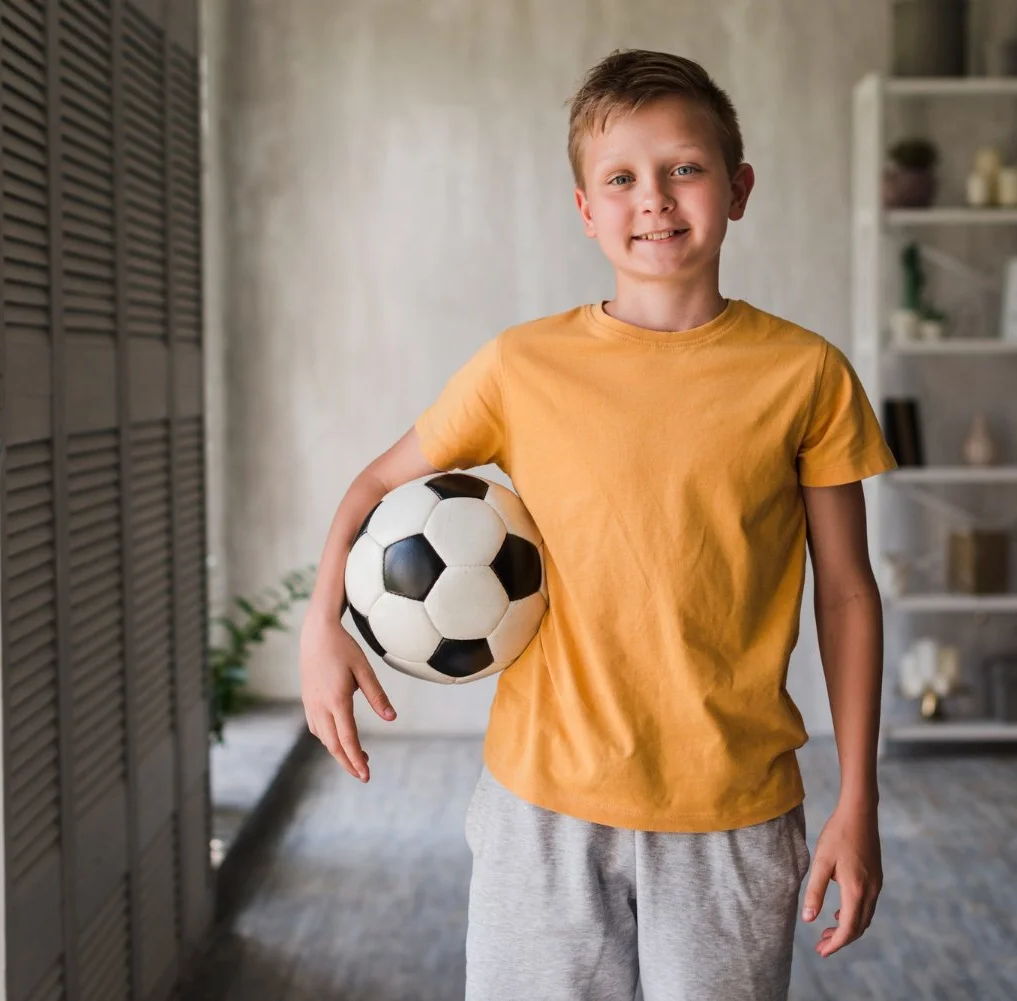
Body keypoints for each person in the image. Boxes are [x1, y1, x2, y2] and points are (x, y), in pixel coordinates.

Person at [298, 47, 895, 1001]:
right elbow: (373, 482)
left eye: (684, 168)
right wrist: (322, 623)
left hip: (731, 815)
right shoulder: (519, 367)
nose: (654, 198)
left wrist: (859, 798)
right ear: (585, 207)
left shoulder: (806, 375)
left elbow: (849, 591)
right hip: (540, 811)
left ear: (738, 188)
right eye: (621, 178)